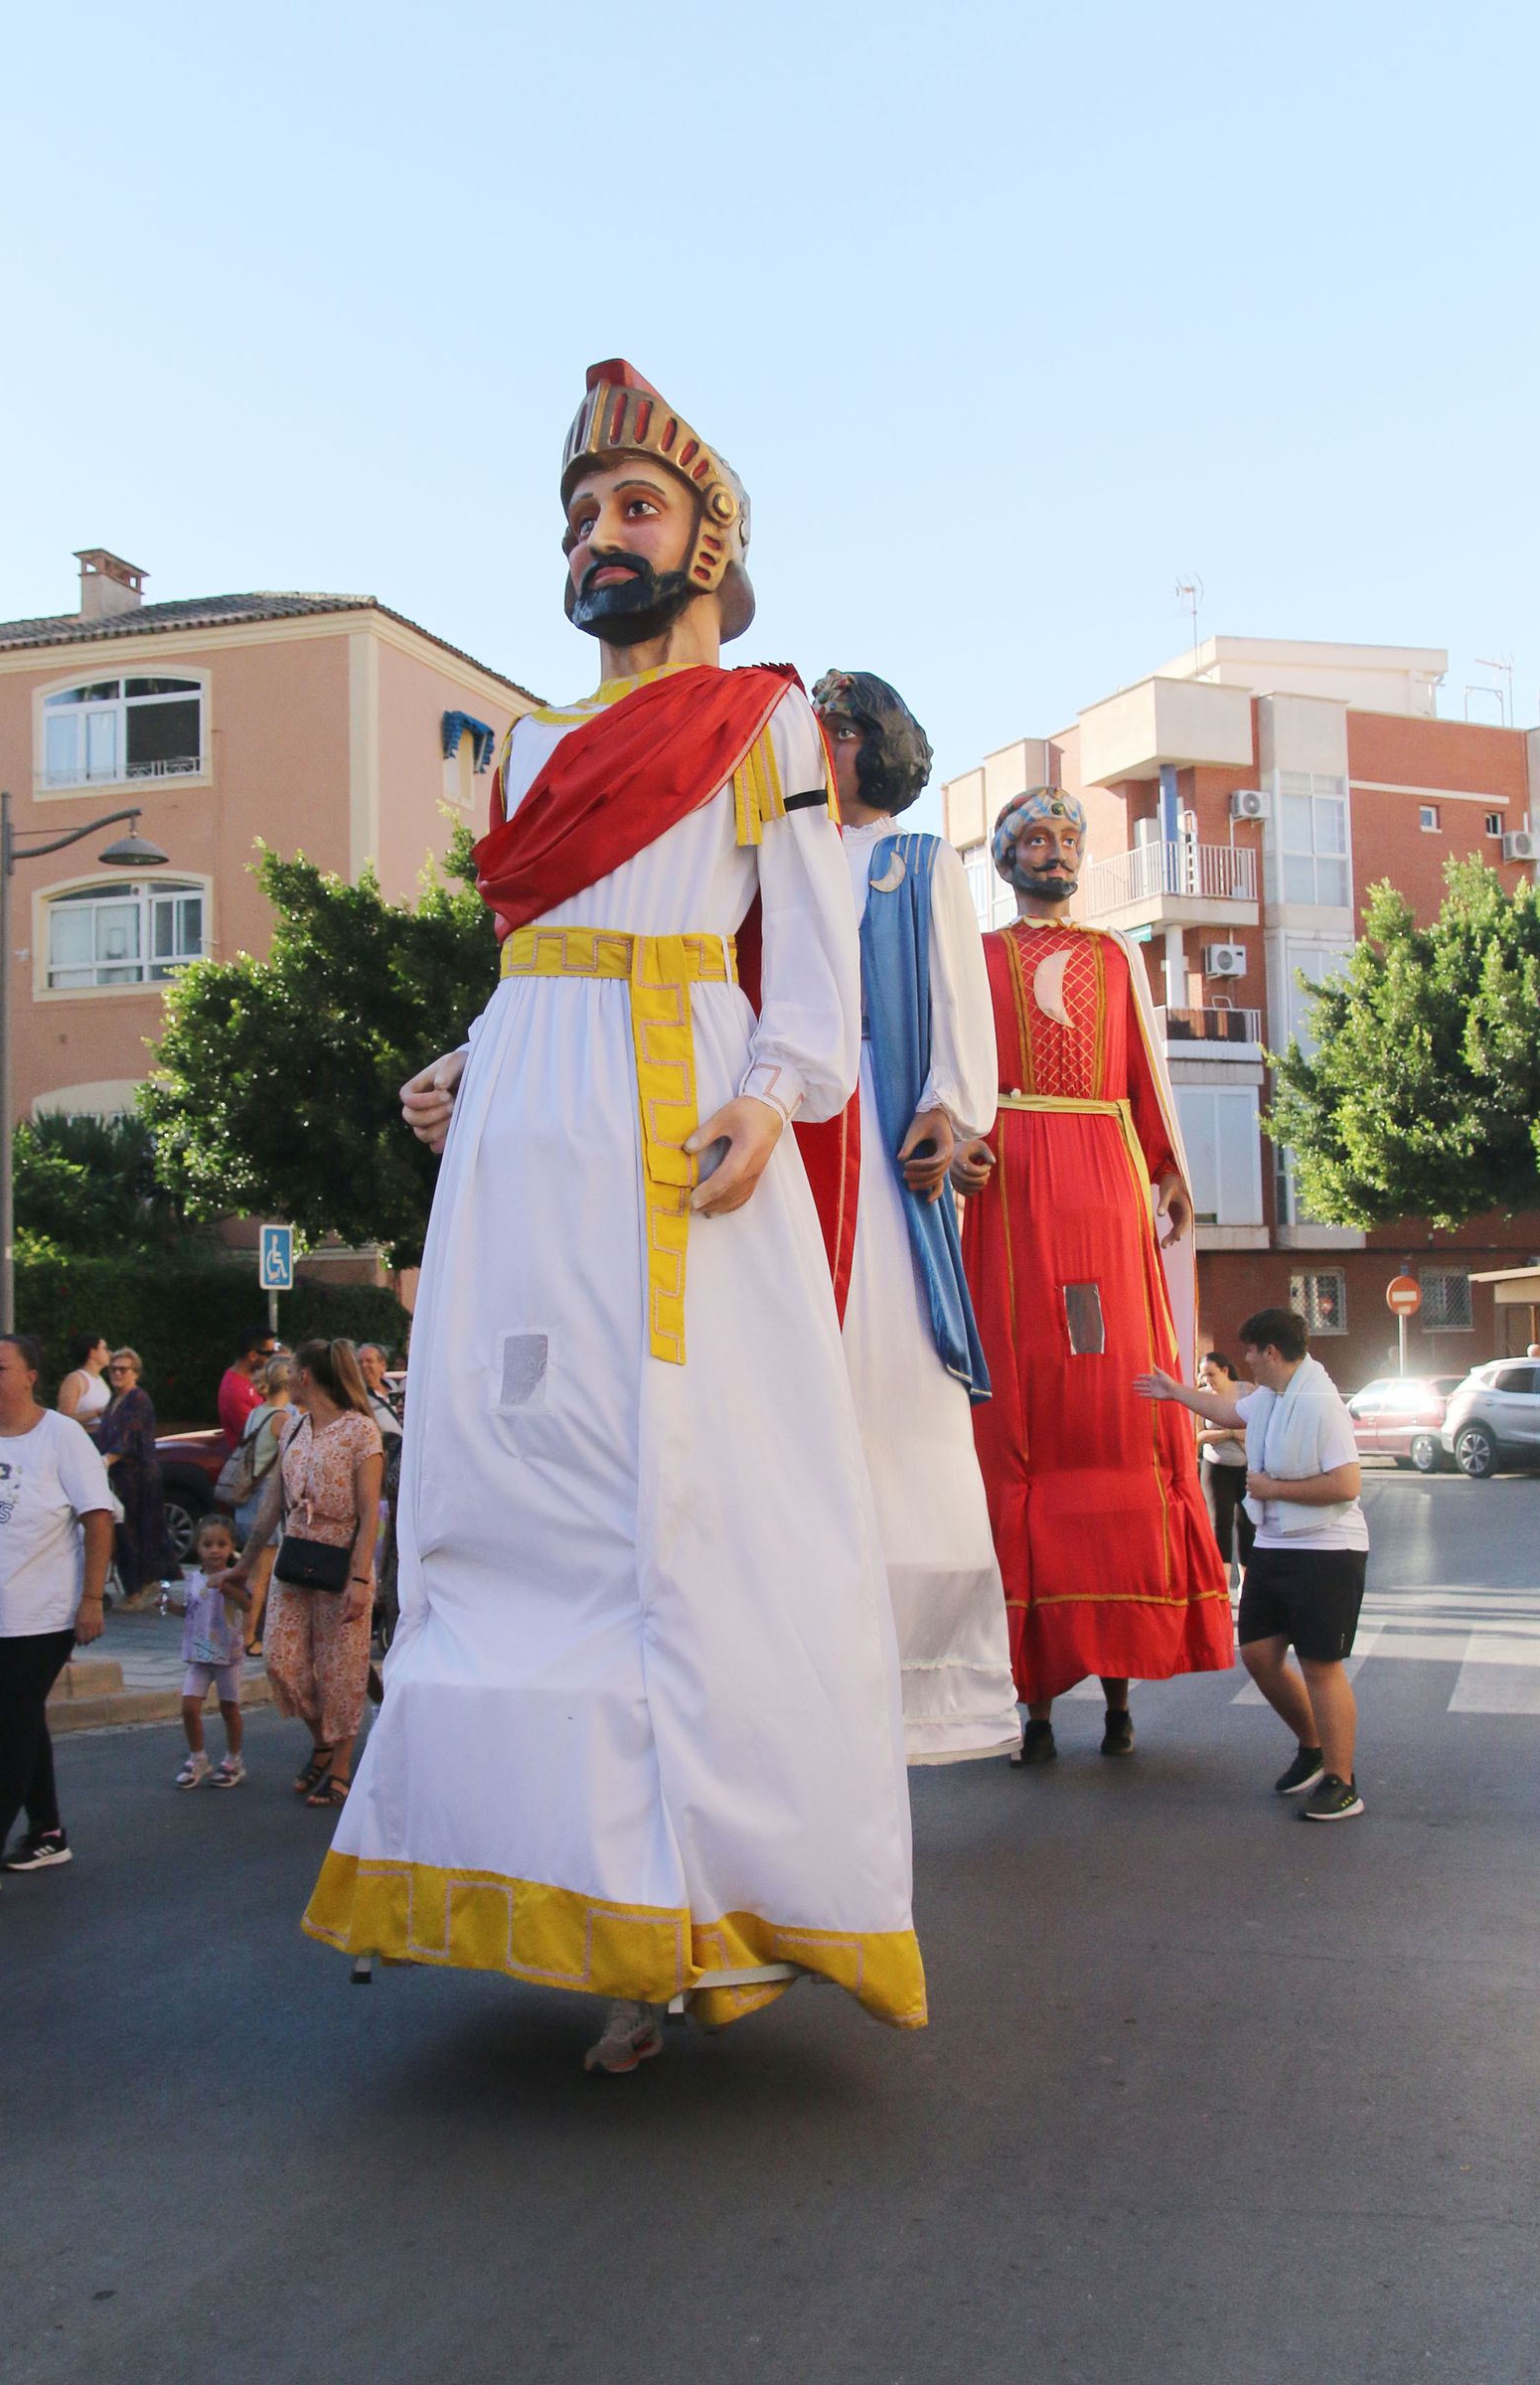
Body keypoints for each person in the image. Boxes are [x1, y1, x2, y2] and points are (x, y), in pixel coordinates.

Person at [319, 359, 922, 2075]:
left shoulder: (767, 723)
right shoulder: (518, 752)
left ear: (707, 547)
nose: (600, 538)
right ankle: (531, 1878)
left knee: (677, 1512)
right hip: (522, 1128)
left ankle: (693, 1911)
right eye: (582, 515)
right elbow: (534, 958)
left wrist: (773, 1097)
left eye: (634, 509)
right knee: (504, 1494)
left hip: (674, 1127)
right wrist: (467, 1055)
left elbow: (806, 963)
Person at [954, 787, 1232, 1764]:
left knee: (1117, 1401)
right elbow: (953, 1072)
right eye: (1033, 838)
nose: (1052, 853)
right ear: (1005, 858)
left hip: (1105, 1179)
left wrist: (1167, 1170)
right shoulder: (978, 958)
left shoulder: (1116, 957)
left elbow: (1142, 1074)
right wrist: (960, 1144)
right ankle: (1032, 1703)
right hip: (1015, 1175)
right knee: (1023, 1401)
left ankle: (1115, 1690)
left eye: (1066, 838)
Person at [800, 668, 1017, 1763]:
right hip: (790, 1124)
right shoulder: (774, 854)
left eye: (833, 731)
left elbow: (955, 996)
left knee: (887, 1379)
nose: (819, 748)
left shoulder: (918, 862)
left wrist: (948, 1107)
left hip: (880, 1141)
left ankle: (917, 1667)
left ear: (872, 744)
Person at [1137, 1307, 1368, 1821]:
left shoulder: (1319, 1403)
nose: (1244, 1360)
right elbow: (1230, 1412)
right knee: (1260, 1654)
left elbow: (1347, 1484)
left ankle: (1342, 1780)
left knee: (1319, 1666)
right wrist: (1174, 1391)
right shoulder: (1270, 1396)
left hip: (1327, 1551)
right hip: (1275, 1546)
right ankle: (1312, 1747)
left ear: (1271, 1352)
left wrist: (1273, 1489)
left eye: (1250, 1351)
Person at [0, 1337, 114, 1892]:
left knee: (7, 1721)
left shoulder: (61, 1437)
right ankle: (47, 1831)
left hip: (41, 1615)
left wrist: (92, 1598)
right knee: (17, 1718)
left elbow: (97, 1517)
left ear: (30, 1377)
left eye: (0, 1367)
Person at [225, 1340, 382, 1810]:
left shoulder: (360, 1432)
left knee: (342, 1668)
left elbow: (369, 1513)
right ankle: (321, 1741)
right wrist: (246, 1564)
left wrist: (359, 1579)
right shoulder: (293, 1428)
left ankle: (339, 1768)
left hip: (342, 1557)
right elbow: (274, 1500)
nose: (283, 1376)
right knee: (282, 1660)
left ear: (307, 1377)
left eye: (291, 1369)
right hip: (295, 1554)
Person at [171, 1514, 250, 1789]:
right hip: (198, 1655)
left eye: (221, 1544)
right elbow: (192, 1612)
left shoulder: (235, 1576)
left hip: (227, 1656)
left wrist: (227, 1586)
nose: (214, 1550)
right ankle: (198, 1758)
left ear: (231, 1547)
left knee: (229, 1707)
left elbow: (247, 1605)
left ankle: (233, 1760)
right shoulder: (194, 1579)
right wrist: (171, 1607)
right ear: (197, 1547)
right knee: (189, 1706)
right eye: (207, 1544)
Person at [95, 1348, 171, 1610]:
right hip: (119, 1476)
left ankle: (138, 1589)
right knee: (124, 1530)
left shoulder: (137, 1399)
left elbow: (128, 1437)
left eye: (123, 1369)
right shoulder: (115, 1400)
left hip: (137, 1477)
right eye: (113, 1369)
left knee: (135, 1531)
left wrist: (106, 1460)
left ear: (135, 1373)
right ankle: (134, 1587)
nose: (116, 1373)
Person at [231, 1354, 291, 1656]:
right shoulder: (282, 1419)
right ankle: (249, 1636)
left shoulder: (257, 1413)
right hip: (264, 1499)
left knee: (251, 1567)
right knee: (261, 1574)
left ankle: (246, 1629)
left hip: (246, 1499)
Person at [355, 1343, 402, 1655]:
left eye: (371, 1361)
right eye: (361, 1362)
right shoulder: (359, 1401)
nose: (366, 1367)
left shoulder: (392, 1394)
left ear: (383, 1366)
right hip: (380, 1489)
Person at [1198, 1350, 1255, 1589]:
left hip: (1246, 1465)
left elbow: (1258, 1428)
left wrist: (1227, 1435)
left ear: (1225, 1370)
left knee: (1247, 1521)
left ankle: (1247, 1584)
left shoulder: (1247, 1391)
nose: (1207, 1380)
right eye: (1203, 1376)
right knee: (1219, 1521)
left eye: (1211, 1374)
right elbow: (1198, 1436)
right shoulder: (1201, 1396)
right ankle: (1221, 1583)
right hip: (1216, 1466)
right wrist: (1231, 1433)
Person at [217, 1328, 280, 1453]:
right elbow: (257, 1438)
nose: (275, 1358)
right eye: (270, 1354)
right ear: (253, 1355)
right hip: (254, 1463)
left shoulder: (250, 1380)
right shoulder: (235, 1391)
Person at [57, 1334, 112, 1438]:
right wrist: (97, 1413)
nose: (109, 1353)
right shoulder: (75, 1380)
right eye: (105, 1349)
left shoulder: (100, 1380)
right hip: (82, 1439)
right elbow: (64, 1418)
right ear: (92, 1353)